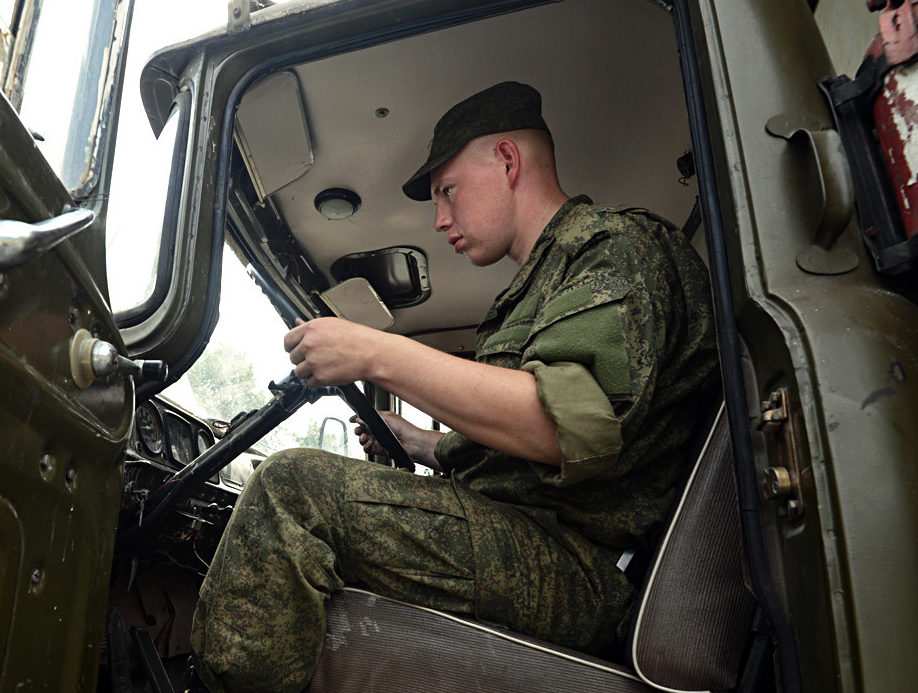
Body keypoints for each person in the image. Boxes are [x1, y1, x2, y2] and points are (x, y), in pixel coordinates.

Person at [190, 81, 717, 692]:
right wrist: (421, 443)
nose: (440, 219)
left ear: (508, 161)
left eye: (448, 191)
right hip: (538, 537)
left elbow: (565, 427)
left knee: (290, 490)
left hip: (577, 566)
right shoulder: (545, 279)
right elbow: (516, 447)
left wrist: (376, 353)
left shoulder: (616, 247)